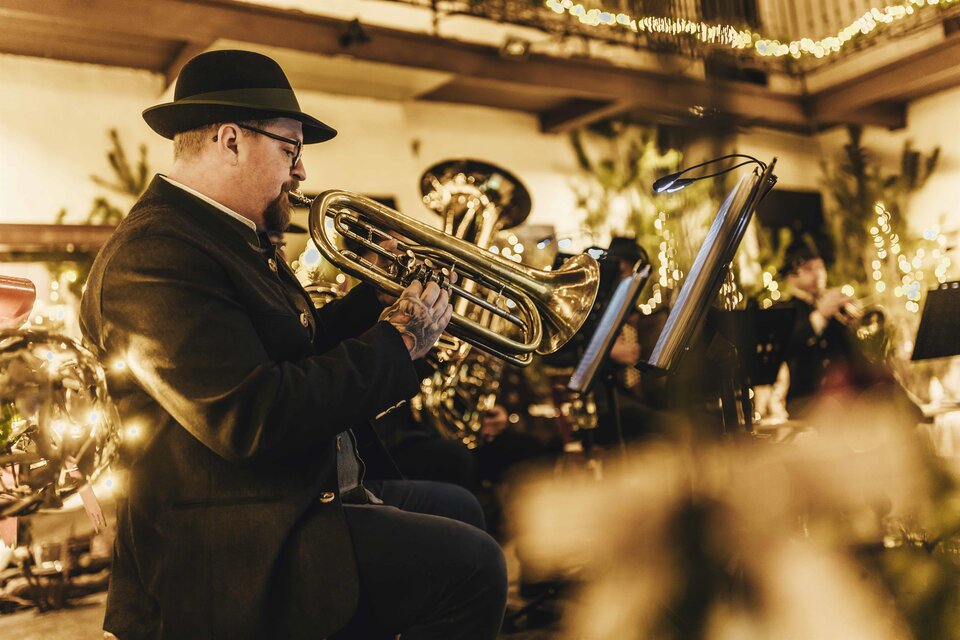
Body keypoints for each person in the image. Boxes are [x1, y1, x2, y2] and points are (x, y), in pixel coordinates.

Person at [79, 49, 506, 640]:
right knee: (475, 567)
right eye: (290, 148)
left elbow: (292, 352)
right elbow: (250, 415)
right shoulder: (155, 254)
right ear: (230, 140)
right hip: (230, 539)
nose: (301, 171)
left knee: (460, 505)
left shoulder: (225, 235)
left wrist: (375, 299)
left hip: (290, 492)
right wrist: (397, 341)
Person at [775, 240, 854, 415]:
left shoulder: (835, 306)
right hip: (806, 400)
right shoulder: (783, 308)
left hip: (844, 393)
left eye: (820, 267)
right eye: (809, 268)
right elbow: (790, 342)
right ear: (791, 276)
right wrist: (821, 315)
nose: (818, 274)